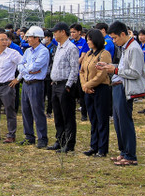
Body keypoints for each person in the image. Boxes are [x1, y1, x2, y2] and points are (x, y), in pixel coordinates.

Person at [97, 22, 145, 166]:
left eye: (115, 38)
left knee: (125, 122)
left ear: (123, 34)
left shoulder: (134, 49)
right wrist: (110, 66)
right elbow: (123, 67)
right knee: (118, 122)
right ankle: (124, 151)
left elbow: (135, 72)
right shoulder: (126, 48)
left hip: (125, 88)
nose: (113, 41)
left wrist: (115, 70)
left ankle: (130, 155)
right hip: (118, 86)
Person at [48, 22, 79, 153]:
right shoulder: (59, 47)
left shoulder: (71, 48)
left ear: (62, 32)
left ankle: (69, 143)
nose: (54, 34)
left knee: (68, 116)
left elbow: (74, 69)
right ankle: (59, 140)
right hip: (55, 84)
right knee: (58, 115)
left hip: (65, 85)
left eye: (55, 32)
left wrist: (68, 85)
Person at [80, 29, 112, 157]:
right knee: (93, 119)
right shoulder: (88, 54)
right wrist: (84, 86)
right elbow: (82, 71)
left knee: (101, 119)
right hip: (88, 90)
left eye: (90, 39)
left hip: (101, 89)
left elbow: (102, 74)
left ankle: (102, 148)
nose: (88, 42)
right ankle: (94, 146)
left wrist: (88, 85)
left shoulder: (104, 54)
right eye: (87, 39)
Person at [18, 26, 50, 149]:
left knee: (37, 111)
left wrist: (26, 68)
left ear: (37, 38)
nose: (27, 39)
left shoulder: (43, 51)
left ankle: (42, 138)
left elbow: (36, 67)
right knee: (25, 111)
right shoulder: (28, 51)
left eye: (30, 37)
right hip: (26, 83)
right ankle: (29, 136)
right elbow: (20, 65)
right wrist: (28, 69)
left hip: (36, 83)